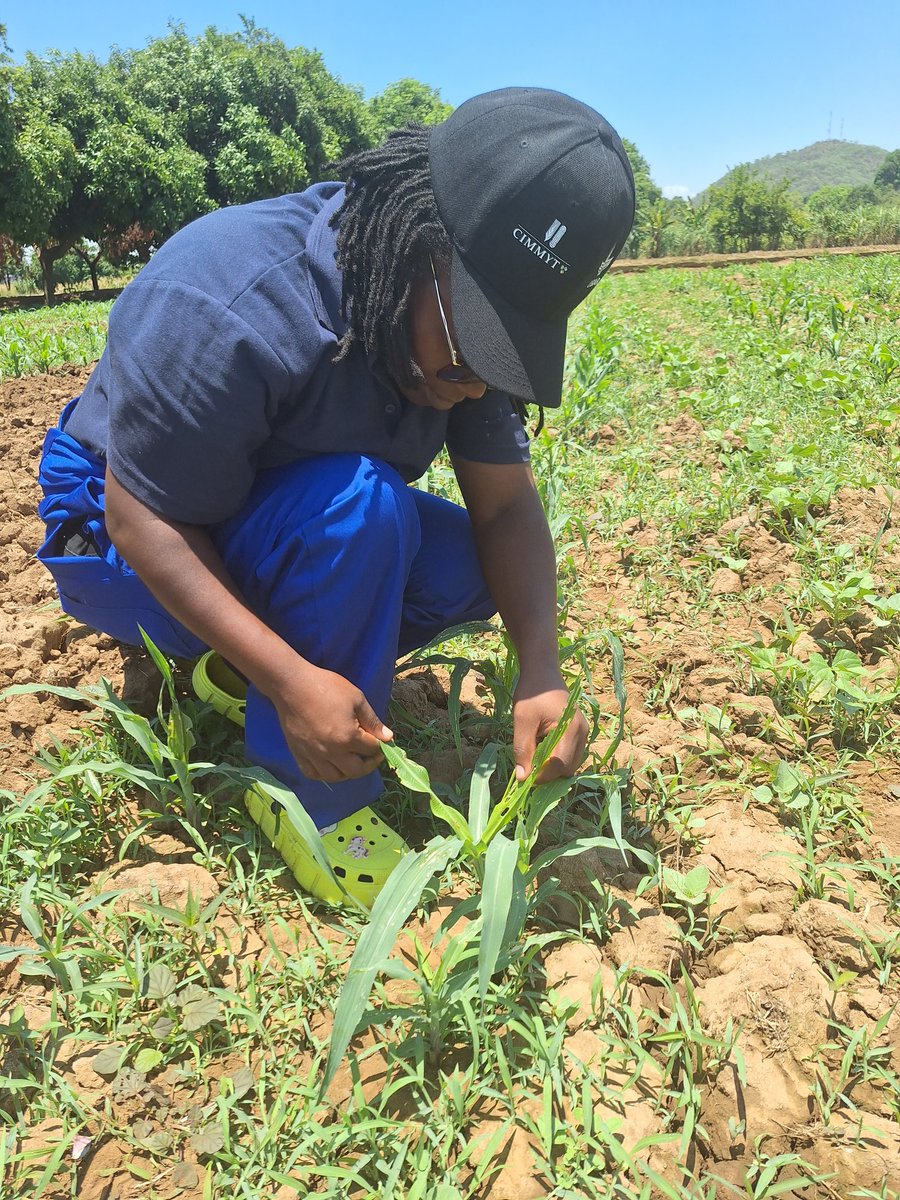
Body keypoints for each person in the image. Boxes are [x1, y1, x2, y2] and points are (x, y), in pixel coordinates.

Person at [36, 87, 635, 907]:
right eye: (468, 360)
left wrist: (541, 668)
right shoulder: (229, 297)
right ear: (419, 247)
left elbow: (505, 509)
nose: (475, 389)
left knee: (464, 566)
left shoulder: (457, 320)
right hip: (121, 533)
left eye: (502, 362)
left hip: (275, 510)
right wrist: (289, 678)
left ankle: (250, 661)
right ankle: (310, 801)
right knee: (360, 508)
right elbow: (140, 514)